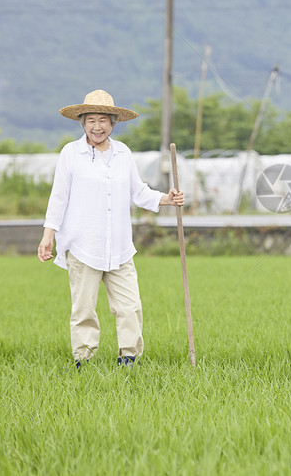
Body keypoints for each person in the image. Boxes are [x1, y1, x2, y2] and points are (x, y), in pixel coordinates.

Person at [37, 89, 184, 369]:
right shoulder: (71, 153)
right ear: (82, 122)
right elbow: (59, 197)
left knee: (130, 307)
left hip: (119, 247)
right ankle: (84, 360)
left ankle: (129, 358)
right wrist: (48, 236)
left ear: (113, 122)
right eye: (91, 120)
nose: (97, 126)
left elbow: (138, 192)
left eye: (103, 120)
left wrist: (167, 198)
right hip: (82, 245)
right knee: (83, 309)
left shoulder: (122, 153)